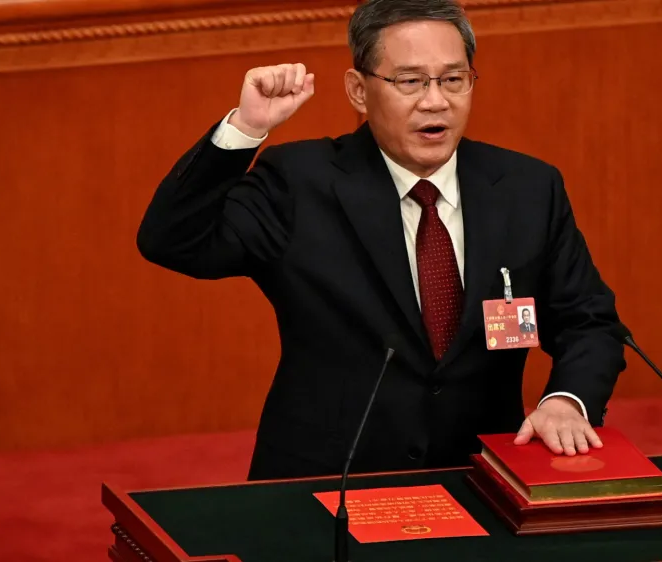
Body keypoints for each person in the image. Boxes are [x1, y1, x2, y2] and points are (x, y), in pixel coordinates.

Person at [136, 0, 626, 481]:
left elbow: (589, 320)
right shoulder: (299, 183)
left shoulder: (526, 189)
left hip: (481, 480)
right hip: (329, 487)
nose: (435, 101)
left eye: (453, 79)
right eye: (409, 81)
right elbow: (173, 241)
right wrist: (245, 130)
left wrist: (566, 400)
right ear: (358, 90)